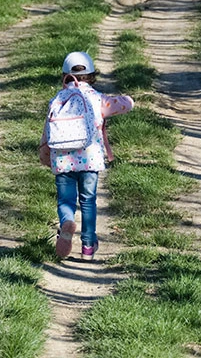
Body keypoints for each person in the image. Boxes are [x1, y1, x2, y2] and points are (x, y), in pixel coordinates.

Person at [39, 51, 134, 260]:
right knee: (88, 201)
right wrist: (127, 99)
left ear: (64, 76)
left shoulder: (57, 100)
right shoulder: (97, 98)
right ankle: (88, 246)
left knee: (66, 200)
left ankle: (66, 222)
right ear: (92, 76)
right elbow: (127, 104)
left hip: (63, 160)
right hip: (90, 159)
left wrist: (45, 154)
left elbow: (48, 131)